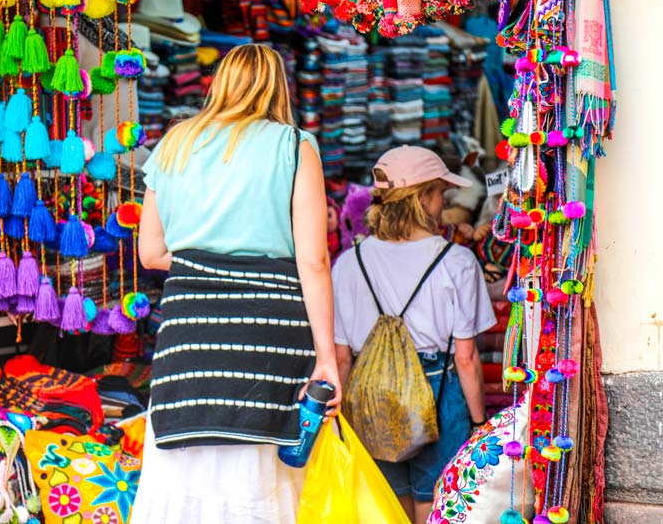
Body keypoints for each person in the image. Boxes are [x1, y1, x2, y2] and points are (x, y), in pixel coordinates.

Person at [132, 44, 341, 524]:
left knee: (183, 487)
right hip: (269, 342)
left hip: (187, 342)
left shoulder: (175, 143)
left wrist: (206, 261)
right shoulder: (294, 146)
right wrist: (327, 360)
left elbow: (151, 254)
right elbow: (313, 260)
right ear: (277, 87)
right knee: (261, 482)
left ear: (220, 82)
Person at [332, 145, 496, 524]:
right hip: (440, 394)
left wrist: (342, 424)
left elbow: (341, 358)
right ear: (422, 198)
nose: (443, 202)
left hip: (370, 395)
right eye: (440, 193)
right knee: (437, 504)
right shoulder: (456, 262)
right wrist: (476, 423)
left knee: (388, 506)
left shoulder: (348, 264)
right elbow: (466, 358)